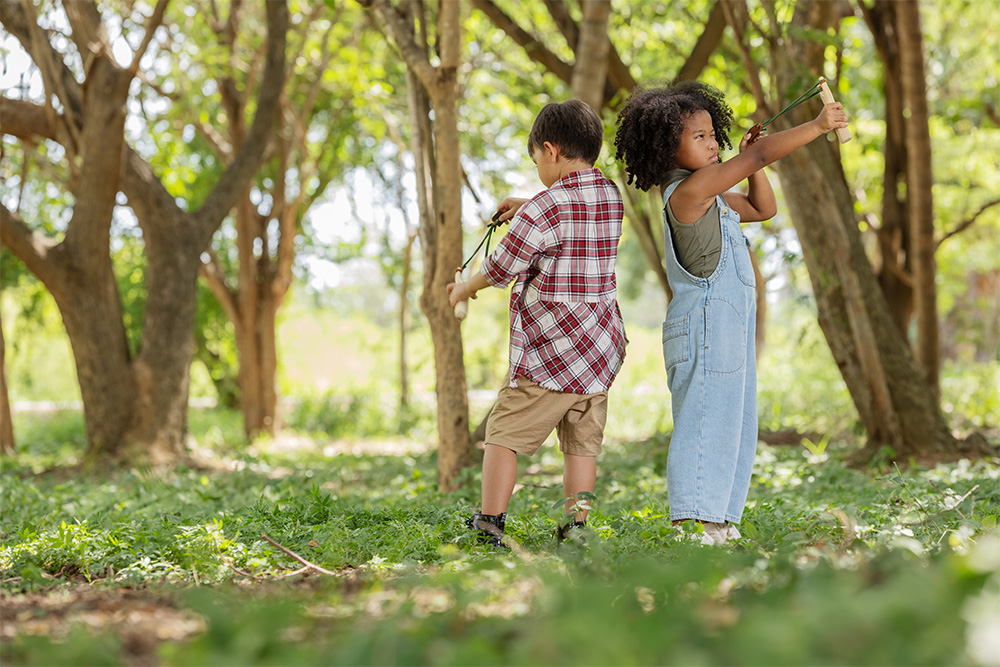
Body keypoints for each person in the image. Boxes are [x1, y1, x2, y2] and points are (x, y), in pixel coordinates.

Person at [613, 81, 848, 545]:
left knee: (732, 420)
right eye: (698, 136)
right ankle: (692, 523)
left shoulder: (714, 196)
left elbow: (763, 207)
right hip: (702, 326)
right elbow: (758, 161)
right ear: (667, 147)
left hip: (725, 328)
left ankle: (719, 520)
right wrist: (818, 126)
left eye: (711, 134)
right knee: (703, 419)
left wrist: (751, 156)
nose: (712, 143)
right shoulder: (686, 193)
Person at [447, 99, 628, 548]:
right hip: (598, 352)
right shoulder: (610, 196)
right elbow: (574, 206)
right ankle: (576, 530)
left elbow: (500, 268)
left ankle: (490, 523)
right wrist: (528, 203)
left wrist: (462, 290)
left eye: (535, 162)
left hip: (550, 354)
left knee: (502, 434)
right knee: (581, 444)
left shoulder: (540, 211)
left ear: (549, 150)